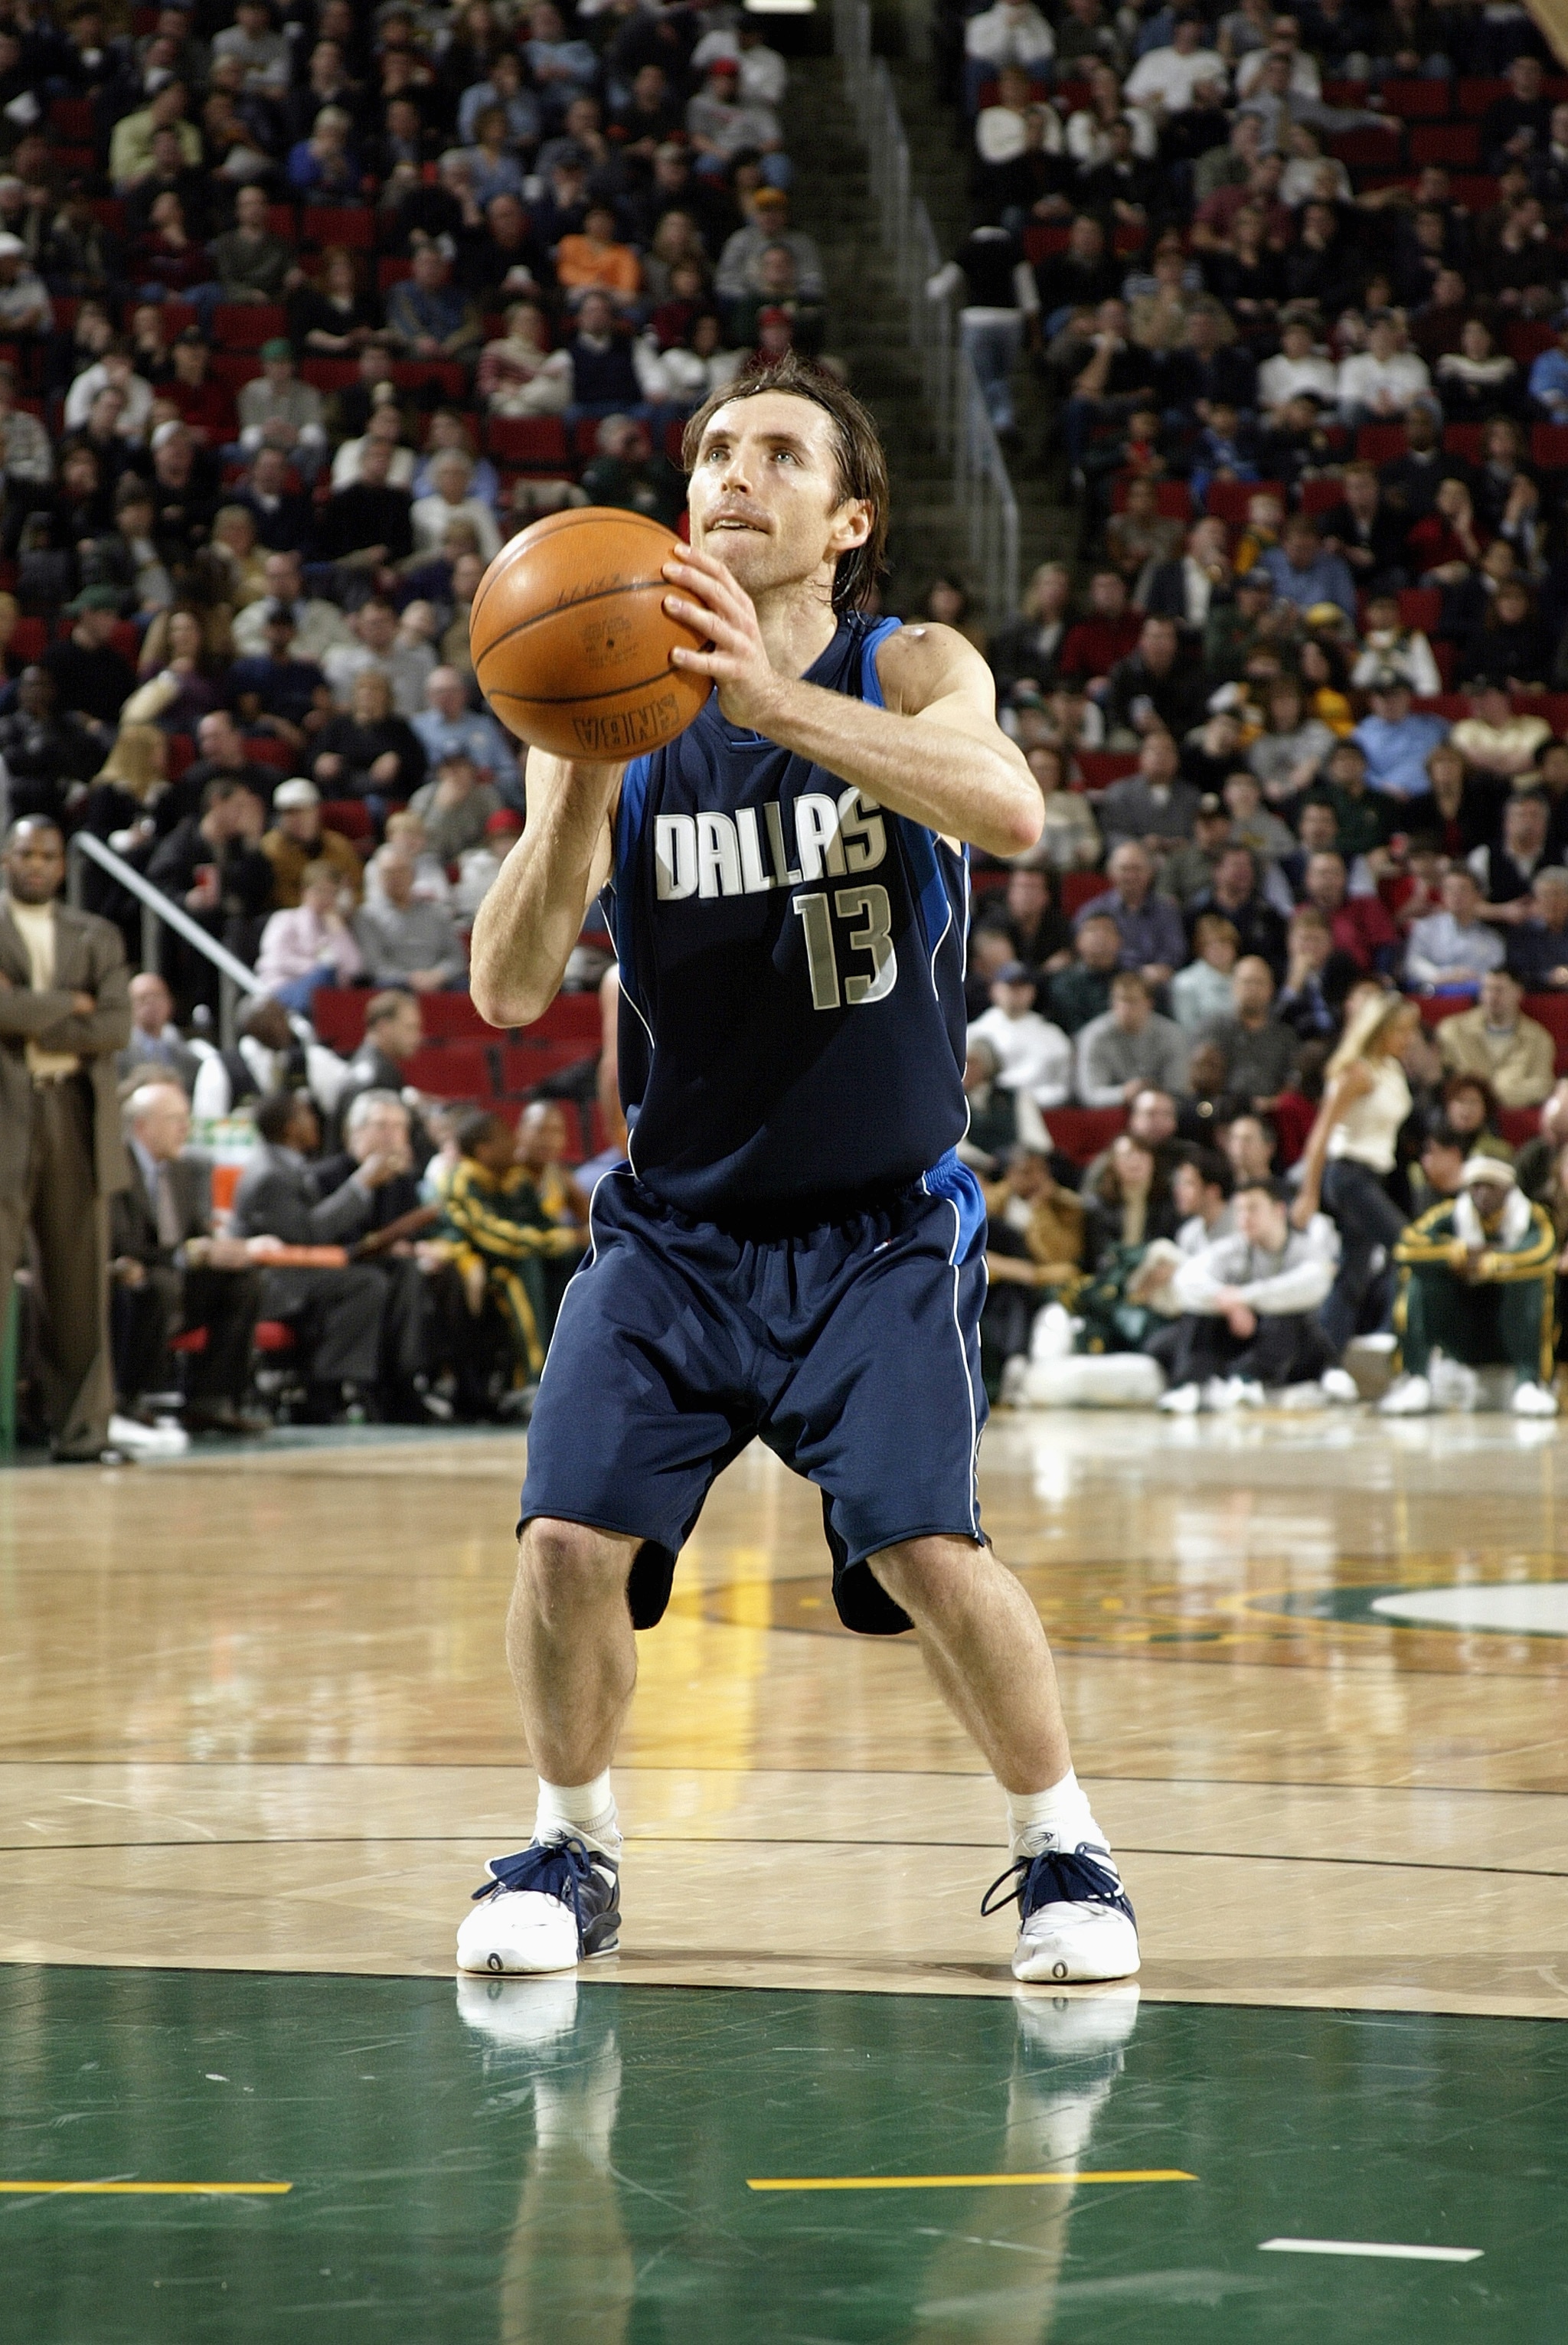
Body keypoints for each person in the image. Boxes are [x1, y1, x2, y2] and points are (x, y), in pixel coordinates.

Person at [459, 355, 1138, 1988]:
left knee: (927, 1546)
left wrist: (772, 707)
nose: (730, 475)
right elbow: (501, 984)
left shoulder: (910, 663)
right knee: (562, 1542)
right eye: (710, 452)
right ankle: (570, 1843)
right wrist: (573, 791)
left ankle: (1068, 1853)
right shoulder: (608, 702)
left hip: (878, 1229)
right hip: (676, 1228)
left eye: (777, 453)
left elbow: (1013, 809)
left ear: (845, 521)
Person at [0, 816, 132, 1463]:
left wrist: (26, 1007)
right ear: (6, 858)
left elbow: (114, 1027)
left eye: (48, 854)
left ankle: (82, 1432)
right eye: (26, 852)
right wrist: (69, 1004)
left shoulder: (96, 934)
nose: (37, 863)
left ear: (62, 864)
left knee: (80, 1285)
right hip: (6, 1111)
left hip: (76, 1116)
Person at [229, 1088, 400, 1422]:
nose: (316, 1121)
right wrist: (361, 1183)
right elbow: (308, 1234)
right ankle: (325, 1388)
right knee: (366, 1283)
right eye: (306, 1115)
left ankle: (346, 1384)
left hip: (294, 1272)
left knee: (373, 1274)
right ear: (291, 1127)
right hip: (272, 1281)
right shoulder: (269, 1174)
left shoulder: (285, 1165)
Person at [109, 1079, 266, 1435]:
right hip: (127, 1277)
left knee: (243, 1282)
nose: (186, 1128)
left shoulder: (182, 1170)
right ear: (142, 1126)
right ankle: (130, 1398)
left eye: (186, 1118)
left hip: (175, 1276)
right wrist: (185, 1255)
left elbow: (196, 1233)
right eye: (175, 1119)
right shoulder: (117, 1169)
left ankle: (211, 1399)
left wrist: (219, 1249)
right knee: (160, 1285)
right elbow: (121, 1243)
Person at [1290, 990, 1420, 1360]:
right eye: (1402, 1031)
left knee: (1354, 1273)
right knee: (1409, 1250)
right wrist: (1308, 1193)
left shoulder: (1391, 1068)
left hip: (1375, 1176)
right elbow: (1320, 1135)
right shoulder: (1357, 1072)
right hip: (1348, 1175)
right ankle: (1391, 1342)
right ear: (1380, 1030)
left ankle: (1321, 1362)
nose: (1409, 1039)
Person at [1382, 1157, 1558, 1417]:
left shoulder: (1533, 1217)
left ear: (1508, 1188)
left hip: (1510, 1329)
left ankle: (1529, 1382)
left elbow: (1543, 1253)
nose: (1482, 1194)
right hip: (1463, 1328)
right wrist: (1457, 1253)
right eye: (1475, 1186)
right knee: (1419, 1275)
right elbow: (1407, 1247)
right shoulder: (1450, 1214)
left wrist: (1491, 1264)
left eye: (1490, 1186)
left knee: (1531, 1279)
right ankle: (1416, 1377)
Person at [1157, 1177, 1338, 1412]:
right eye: (1240, 1210)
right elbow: (1186, 1280)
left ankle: (1249, 1379)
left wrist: (1243, 1298)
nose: (1244, 1217)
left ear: (1278, 1210)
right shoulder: (1233, 1247)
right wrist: (1227, 1302)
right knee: (1179, 1330)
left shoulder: (1306, 1248)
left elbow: (1312, 1286)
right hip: (1242, 1334)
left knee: (1286, 1314)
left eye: (1253, 1208)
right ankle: (1190, 1384)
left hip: (1294, 1345)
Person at [1436, 967, 1555, 1109]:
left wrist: (1492, 1094)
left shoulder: (1538, 1038)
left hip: (1512, 1115)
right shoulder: (1453, 1030)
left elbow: (1543, 1086)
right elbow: (1440, 1077)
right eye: (1487, 989)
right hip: (1463, 1114)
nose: (1492, 996)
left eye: (1499, 990)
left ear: (1518, 992)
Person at [354, 846, 466, 991]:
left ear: (413, 874)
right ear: (379, 877)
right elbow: (375, 965)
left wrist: (437, 975)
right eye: (389, 872)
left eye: (401, 870)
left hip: (439, 980)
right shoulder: (366, 915)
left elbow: (456, 957)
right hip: (395, 985)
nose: (396, 877)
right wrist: (409, 979)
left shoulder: (437, 912)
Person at [967, 960, 1073, 1109]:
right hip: (991, 1111)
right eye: (1011, 986)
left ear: (1033, 991)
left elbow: (1063, 1086)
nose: (1017, 993)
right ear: (995, 990)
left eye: (1023, 986)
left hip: (1044, 1111)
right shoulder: (974, 1033)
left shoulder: (1051, 1034)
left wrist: (1028, 1101)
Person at [1076, 969, 1191, 1107]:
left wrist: (1150, 1098)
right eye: (1120, 1000)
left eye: (1133, 1001)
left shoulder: (1171, 1034)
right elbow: (1090, 1094)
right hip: (1112, 1112)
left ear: (1149, 1003)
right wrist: (1123, 1093)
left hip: (1161, 1109)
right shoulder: (1094, 1036)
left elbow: (1178, 1090)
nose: (1125, 1008)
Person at [1406, 867, 1508, 993]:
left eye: (1463, 890)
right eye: (1450, 889)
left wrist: (1471, 977)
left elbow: (1496, 973)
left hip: (1476, 998)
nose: (1456, 895)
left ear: (1478, 896)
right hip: (1434, 994)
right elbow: (1413, 963)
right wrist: (1443, 975)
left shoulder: (1492, 939)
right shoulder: (1425, 929)